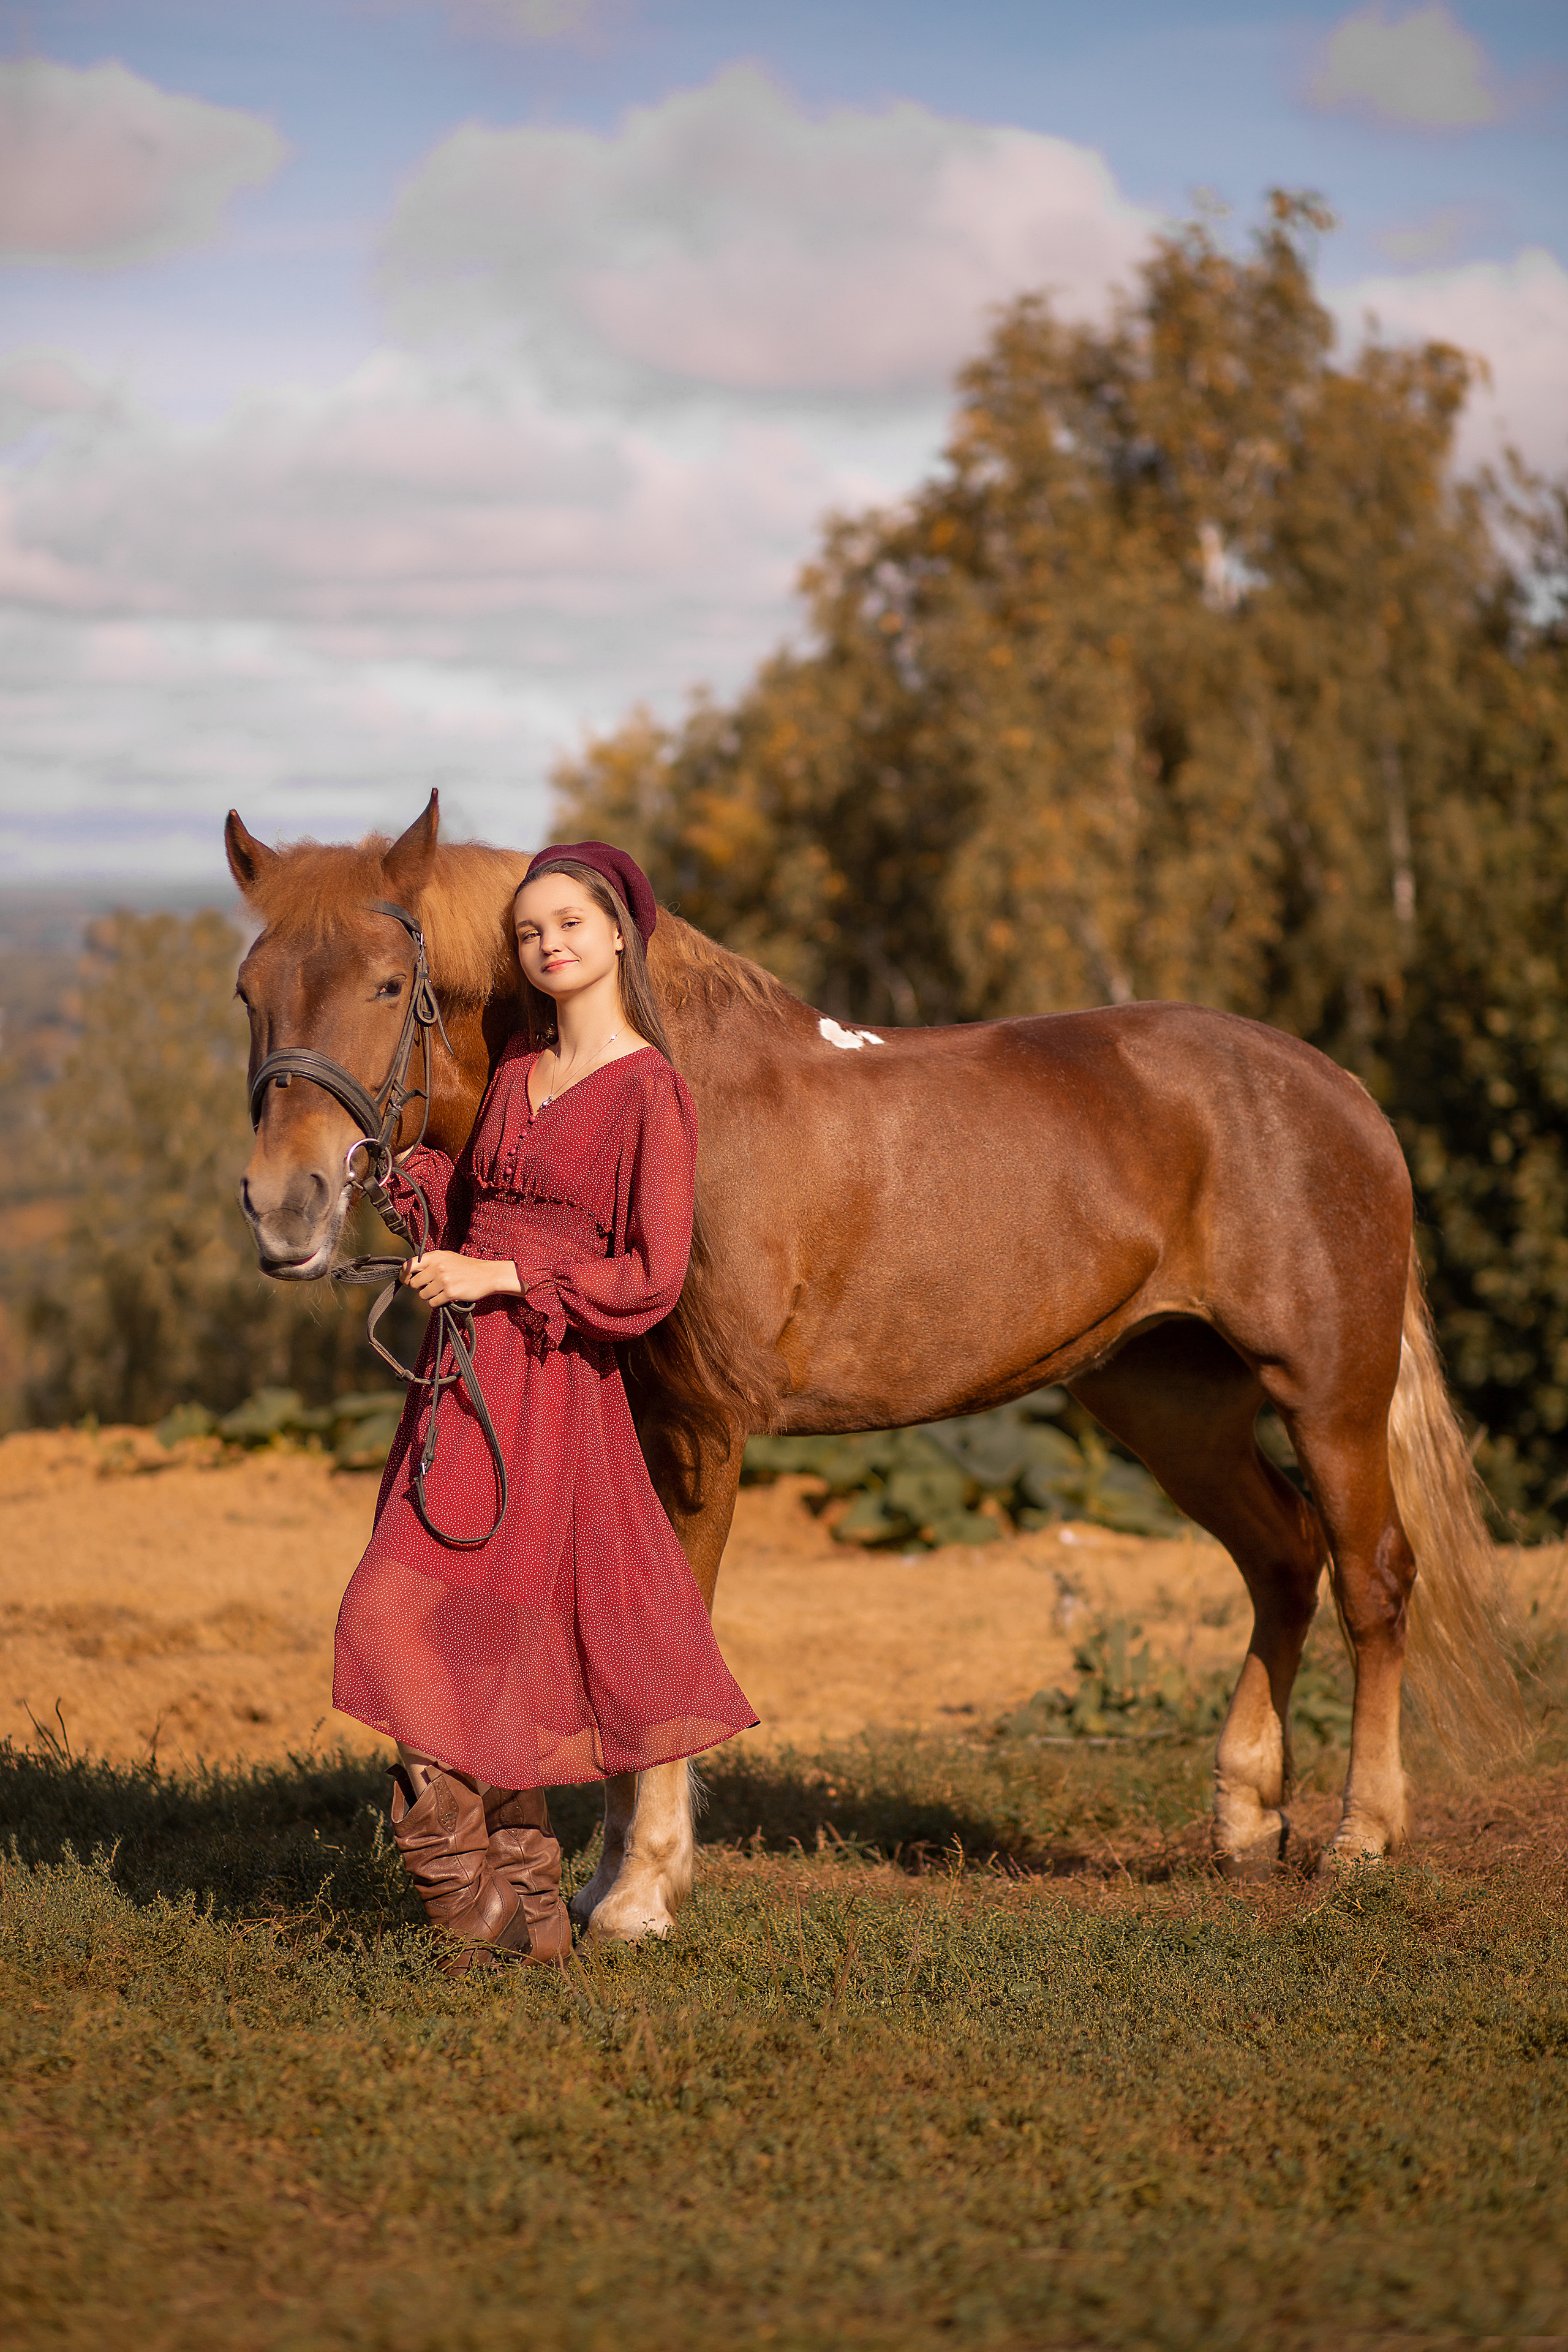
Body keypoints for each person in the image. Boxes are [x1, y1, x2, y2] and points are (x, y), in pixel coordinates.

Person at [333, 841, 757, 1970]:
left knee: (437, 1619)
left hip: (559, 1387)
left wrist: (505, 1278)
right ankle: (527, 1906)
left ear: (620, 933)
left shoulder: (652, 1092)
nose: (547, 943)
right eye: (529, 932)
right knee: (433, 1617)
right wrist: (407, 1189)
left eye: (568, 922)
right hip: (462, 1377)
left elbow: (652, 1275)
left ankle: (466, 1891)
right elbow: (466, 1213)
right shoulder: (516, 1076)